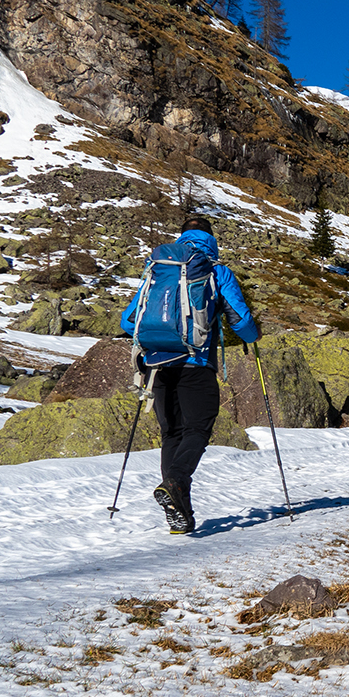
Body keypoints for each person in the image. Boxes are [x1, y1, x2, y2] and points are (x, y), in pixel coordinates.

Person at [119, 215, 260, 533]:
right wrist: (252, 336)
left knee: (172, 434)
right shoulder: (216, 271)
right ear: (212, 241)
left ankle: (181, 509)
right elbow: (241, 321)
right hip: (196, 365)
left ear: (182, 236)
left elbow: (129, 322)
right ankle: (177, 484)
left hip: (157, 368)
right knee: (197, 429)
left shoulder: (160, 268)